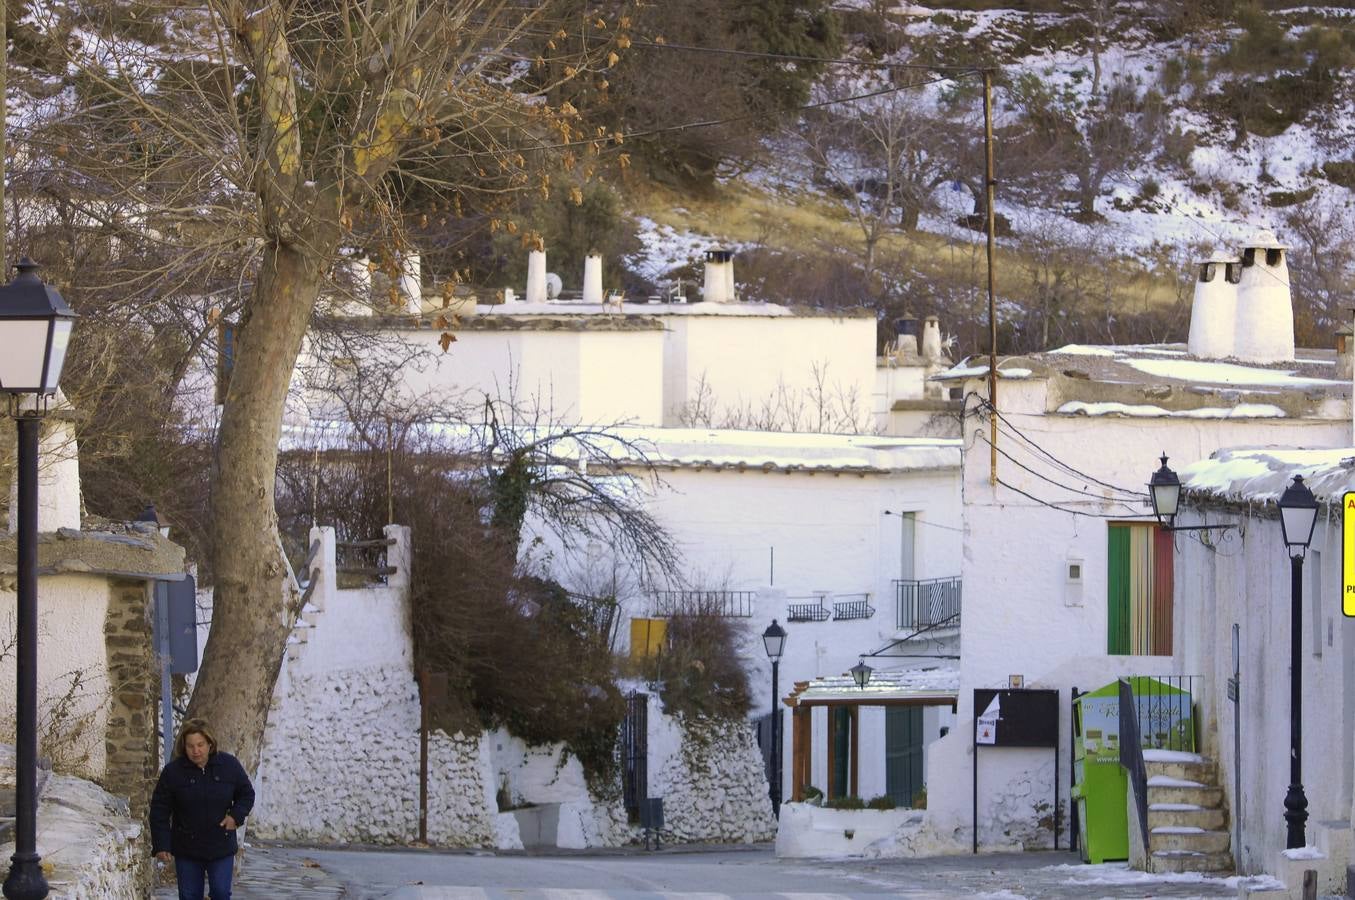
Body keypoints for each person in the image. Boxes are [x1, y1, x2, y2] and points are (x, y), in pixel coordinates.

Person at [150, 719, 255, 900]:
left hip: (220, 844)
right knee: (189, 895)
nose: (196, 751)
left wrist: (235, 816)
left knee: (221, 893)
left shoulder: (229, 766)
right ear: (184, 747)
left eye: (200, 745)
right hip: (187, 847)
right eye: (190, 746)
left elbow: (246, 794)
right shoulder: (173, 772)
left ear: (210, 744)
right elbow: (159, 810)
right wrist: (162, 844)